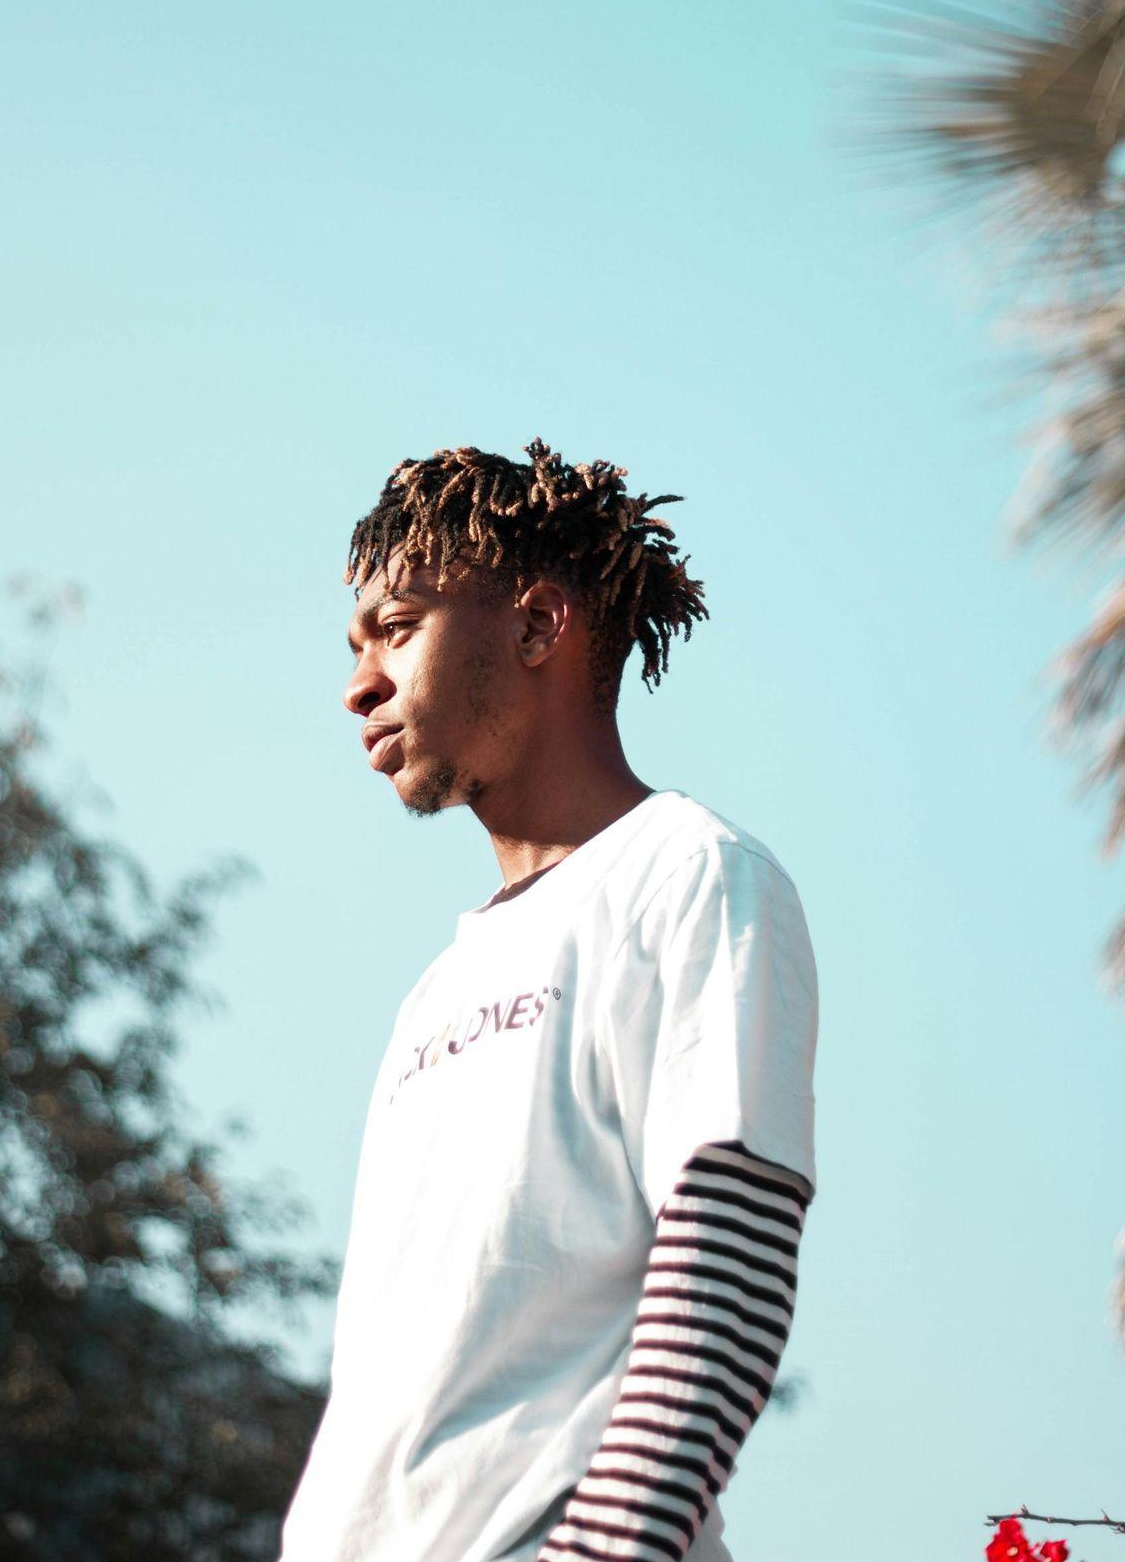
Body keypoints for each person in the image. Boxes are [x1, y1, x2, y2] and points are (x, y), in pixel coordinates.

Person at [278, 438, 819, 1562]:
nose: (356, 684)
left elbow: (729, 1253)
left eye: (397, 628)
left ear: (534, 627)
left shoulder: (692, 874)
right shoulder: (440, 983)